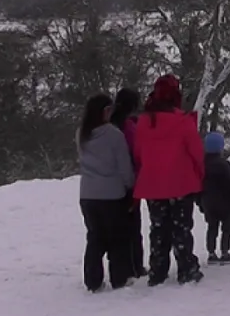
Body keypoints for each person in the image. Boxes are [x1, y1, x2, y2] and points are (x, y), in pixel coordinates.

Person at [133, 74, 205, 286]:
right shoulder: (183, 121)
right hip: (180, 183)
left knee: (158, 228)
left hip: (153, 184)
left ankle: (158, 269)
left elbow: (138, 153)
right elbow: (196, 153)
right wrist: (200, 177)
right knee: (181, 227)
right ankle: (186, 267)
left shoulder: (144, 122)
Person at [78, 93, 136, 292]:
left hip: (87, 194)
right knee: (117, 238)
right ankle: (119, 277)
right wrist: (130, 186)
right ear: (104, 112)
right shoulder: (113, 135)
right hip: (111, 194)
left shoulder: (82, 133)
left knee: (95, 237)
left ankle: (92, 280)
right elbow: (124, 166)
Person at [110, 87, 147, 277]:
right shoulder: (129, 127)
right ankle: (136, 267)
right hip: (129, 181)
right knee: (133, 228)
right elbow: (137, 152)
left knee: (116, 228)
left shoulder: (108, 124)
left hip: (109, 183)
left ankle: (120, 267)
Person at [198, 131, 230, 264]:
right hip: (226, 203)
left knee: (212, 227)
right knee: (227, 228)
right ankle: (225, 251)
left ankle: (211, 253)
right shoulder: (224, 165)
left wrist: (199, 202)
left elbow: (198, 186)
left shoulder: (201, 166)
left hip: (208, 202)